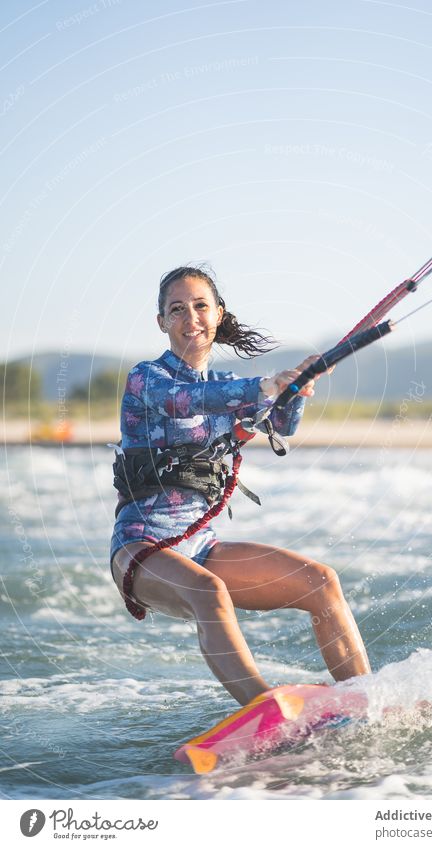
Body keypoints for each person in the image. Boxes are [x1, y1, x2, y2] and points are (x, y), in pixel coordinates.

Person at [110, 266, 371, 706]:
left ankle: (364, 699)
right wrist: (263, 386)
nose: (190, 317)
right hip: (141, 547)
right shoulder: (147, 378)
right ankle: (267, 711)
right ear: (162, 322)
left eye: (200, 306)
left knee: (320, 582)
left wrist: (294, 390)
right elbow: (183, 400)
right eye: (177, 309)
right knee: (208, 590)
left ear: (218, 314)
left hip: (202, 545)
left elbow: (281, 425)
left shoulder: (229, 387)